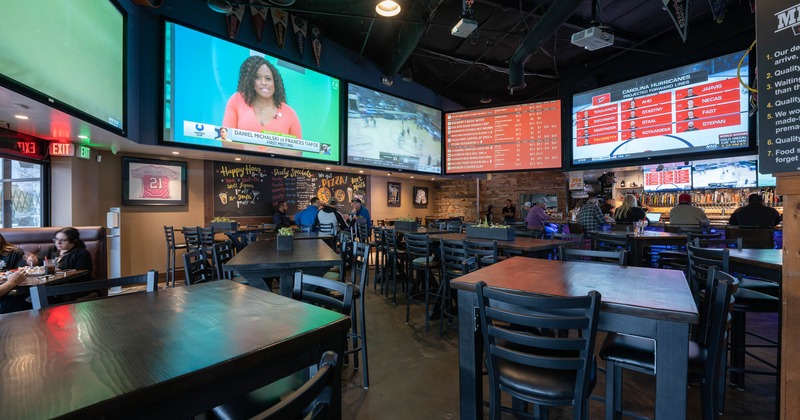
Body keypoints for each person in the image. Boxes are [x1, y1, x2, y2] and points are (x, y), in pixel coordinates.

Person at [222, 56, 302, 154]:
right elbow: (224, 138)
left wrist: (281, 151)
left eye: (268, 79)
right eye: (257, 77)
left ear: (275, 82)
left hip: (278, 168)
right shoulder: (236, 99)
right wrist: (244, 146)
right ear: (251, 80)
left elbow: (299, 151)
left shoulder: (290, 113)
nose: (263, 83)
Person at [27, 227, 93, 278]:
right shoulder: (51, 249)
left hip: (70, 287)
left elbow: (82, 274)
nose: (58, 242)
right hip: (48, 284)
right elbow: (38, 261)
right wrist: (33, 261)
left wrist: (60, 272)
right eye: (56, 239)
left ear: (73, 241)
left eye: (63, 240)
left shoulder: (82, 253)